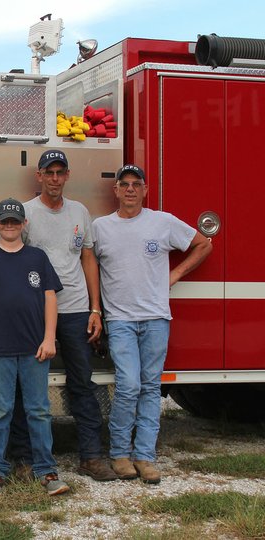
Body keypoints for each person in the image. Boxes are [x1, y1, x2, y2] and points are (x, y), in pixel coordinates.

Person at [93, 164, 212, 484]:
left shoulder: (163, 222)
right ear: (115, 190)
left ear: (145, 190)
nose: (130, 189)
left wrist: (175, 274)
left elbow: (204, 244)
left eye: (136, 184)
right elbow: (88, 265)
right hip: (120, 321)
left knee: (149, 388)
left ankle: (145, 457)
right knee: (129, 385)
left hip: (157, 319)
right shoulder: (100, 227)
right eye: (124, 184)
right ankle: (119, 453)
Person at [14, 149, 117, 481]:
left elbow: (88, 259)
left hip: (74, 309)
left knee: (81, 384)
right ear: (39, 177)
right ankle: (24, 457)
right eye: (49, 172)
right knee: (27, 386)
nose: (55, 178)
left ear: (67, 176)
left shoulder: (80, 212)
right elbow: (17, 260)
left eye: (60, 172)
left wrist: (95, 308)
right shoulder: (26, 213)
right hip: (35, 312)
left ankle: (90, 456)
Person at [0, 198, 69, 496]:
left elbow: (50, 298)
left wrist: (50, 338)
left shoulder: (37, 258)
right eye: (4, 221)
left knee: (38, 410)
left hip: (35, 349)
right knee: (0, 410)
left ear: (24, 224)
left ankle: (46, 471)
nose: (10, 226)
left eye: (15, 221)